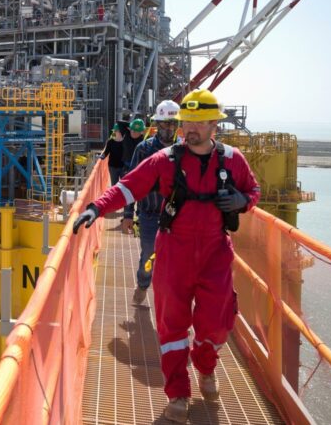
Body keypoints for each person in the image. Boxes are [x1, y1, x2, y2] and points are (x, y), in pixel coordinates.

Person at [72, 89, 260, 423]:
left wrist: (242, 201)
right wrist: (96, 207)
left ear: (214, 124)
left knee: (217, 323)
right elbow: (129, 185)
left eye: (199, 123)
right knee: (171, 325)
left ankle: (206, 367)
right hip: (174, 250)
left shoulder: (232, 160)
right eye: (186, 121)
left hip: (215, 252)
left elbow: (253, 189)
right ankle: (177, 393)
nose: (191, 128)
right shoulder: (167, 159)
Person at [124, 100, 181, 305]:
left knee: (175, 261)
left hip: (177, 217)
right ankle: (142, 284)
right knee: (149, 255)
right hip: (149, 214)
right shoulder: (144, 149)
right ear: (157, 124)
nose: (169, 128)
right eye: (165, 124)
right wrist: (128, 215)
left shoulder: (184, 150)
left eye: (173, 124)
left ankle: (168, 299)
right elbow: (130, 183)